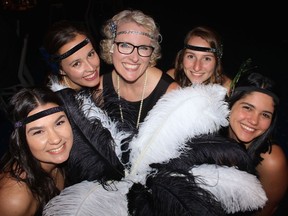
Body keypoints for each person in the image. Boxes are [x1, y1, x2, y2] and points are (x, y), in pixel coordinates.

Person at [99, 9, 179, 129]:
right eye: (125, 45)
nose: (134, 58)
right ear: (111, 47)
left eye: (143, 48)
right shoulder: (100, 88)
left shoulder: (170, 94)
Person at [222, 70, 288, 215]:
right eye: (247, 107)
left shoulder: (271, 162)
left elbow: (265, 212)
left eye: (265, 114)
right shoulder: (209, 132)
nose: (253, 121)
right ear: (231, 103)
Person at [0, 87, 73, 216]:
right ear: (21, 140)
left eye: (59, 123)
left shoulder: (74, 149)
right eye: (38, 132)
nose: (55, 139)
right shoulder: (15, 199)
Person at [41, 19, 101, 91]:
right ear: (60, 69)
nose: (91, 68)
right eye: (76, 64)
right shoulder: (58, 101)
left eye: (90, 54)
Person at [167, 26, 231, 92]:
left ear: (217, 61)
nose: (197, 68)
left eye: (206, 58)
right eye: (191, 56)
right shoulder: (171, 78)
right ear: (182, 56)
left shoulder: (225, 89)